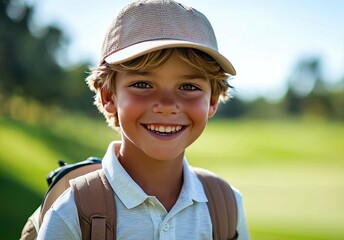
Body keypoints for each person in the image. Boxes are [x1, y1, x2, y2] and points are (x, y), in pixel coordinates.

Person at [38, 0, 249, 239]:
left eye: (188, 86)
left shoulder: (226, 204)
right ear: (108, 96)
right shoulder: (73, 210)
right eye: (142, 84)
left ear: (212, 101)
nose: (167, 106)